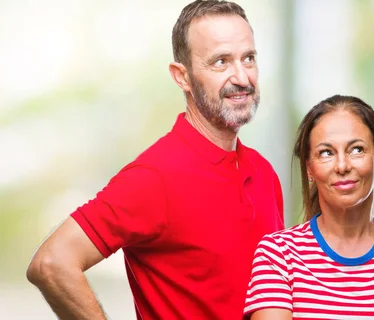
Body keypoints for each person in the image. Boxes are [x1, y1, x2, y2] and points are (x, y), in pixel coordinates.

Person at [26, 1, 284, 319]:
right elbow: (52, 263)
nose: (242, 77)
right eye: (221, 62)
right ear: (182, 77)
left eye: (249, 58)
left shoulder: (263, 172)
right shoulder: (155, 176)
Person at [244, 95, 374, 319]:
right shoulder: (278, 255)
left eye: (356, 150)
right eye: (326, 153)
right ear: (309, 170)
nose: (342, 165)